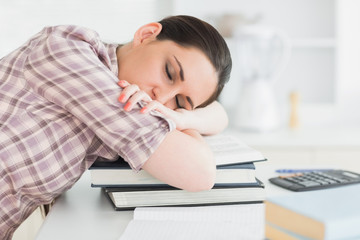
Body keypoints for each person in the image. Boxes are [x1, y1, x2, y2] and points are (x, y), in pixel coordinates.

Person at [0, 15, 232, 239]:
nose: (161, 99)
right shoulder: (69, 49)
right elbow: (200, 173)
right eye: (169, 73)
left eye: (180, 101)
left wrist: (182, 118)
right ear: (147, 35)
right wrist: (179, 117)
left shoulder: (122, 111)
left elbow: (220, 116)